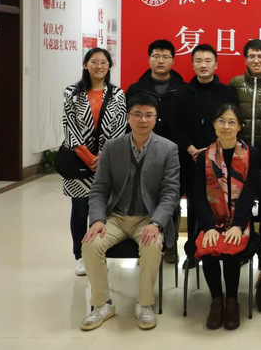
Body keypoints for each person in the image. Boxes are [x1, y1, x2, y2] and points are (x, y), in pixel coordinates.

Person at [79, 93, 180, 331]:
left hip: (147, 218)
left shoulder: (168, 149)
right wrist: (97, 219)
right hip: (115, 217)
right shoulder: (113, 147)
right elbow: (99, 189)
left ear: (155, 118)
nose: (143, 120)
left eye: (148, 115)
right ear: (128, 117)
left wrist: (156, 223)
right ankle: (102, 304)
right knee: (90, 244)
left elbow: (170, 193)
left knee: (152, 245)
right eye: (137, 114)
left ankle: (144, 304)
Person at [193, 104, 261, 331]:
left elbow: (250, 193)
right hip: (211, 220)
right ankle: (216, 300)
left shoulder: (251, 154)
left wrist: (238, 225)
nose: (226, 126)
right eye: (221, 121)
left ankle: (232, 301)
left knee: (231, 250)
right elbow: (198, 196)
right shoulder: (204, 156)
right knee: (209, 249)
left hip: (240, 220)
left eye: (232, 122)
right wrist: (209, 227)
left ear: (239, 126)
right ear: (214, 124)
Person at [61, 47, 127, 277]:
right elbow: (69, 126)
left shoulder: (118, 94)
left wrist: (103, 157)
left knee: (101, 212)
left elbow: (120, 128)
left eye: (103, 62)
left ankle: (97, 254)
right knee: (80, 211)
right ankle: (80, 256)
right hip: (78, 162)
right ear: (85, 65)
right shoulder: (71, 93)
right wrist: (89, 158)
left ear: (109, 66)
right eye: (94, 61)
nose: (99, 66)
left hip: (107, 163)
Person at [172, 44, 238, 261]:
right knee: (194, 204)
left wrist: (211, 150)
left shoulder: (227, 92)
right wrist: (192, 149)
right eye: (198, 61)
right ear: (192, 65)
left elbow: (230, 123)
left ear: (216, 64)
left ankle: (218, 249)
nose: (203, 65)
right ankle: (192, 253)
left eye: (208, 61)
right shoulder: (181, 92)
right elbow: (176, 125)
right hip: (189, 159)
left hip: (219, 158)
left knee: (219, 204)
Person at [126, 38, 185, 262]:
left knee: (172, 198)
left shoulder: (183, 89)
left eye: (165, 57)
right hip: (141, 152)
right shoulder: (136, 89)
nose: (161, 61)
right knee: (144, 197)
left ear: (173, 60)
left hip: (173, 153)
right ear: (149, 59)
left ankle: (170, 244)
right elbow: (127, 122)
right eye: (156, 56)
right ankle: (144, 242)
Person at [228, 38, 261, 175]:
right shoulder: (235, 83)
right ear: (245, 60)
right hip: (239, 150)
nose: (256, 61)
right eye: (251, 56)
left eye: (260, 56)